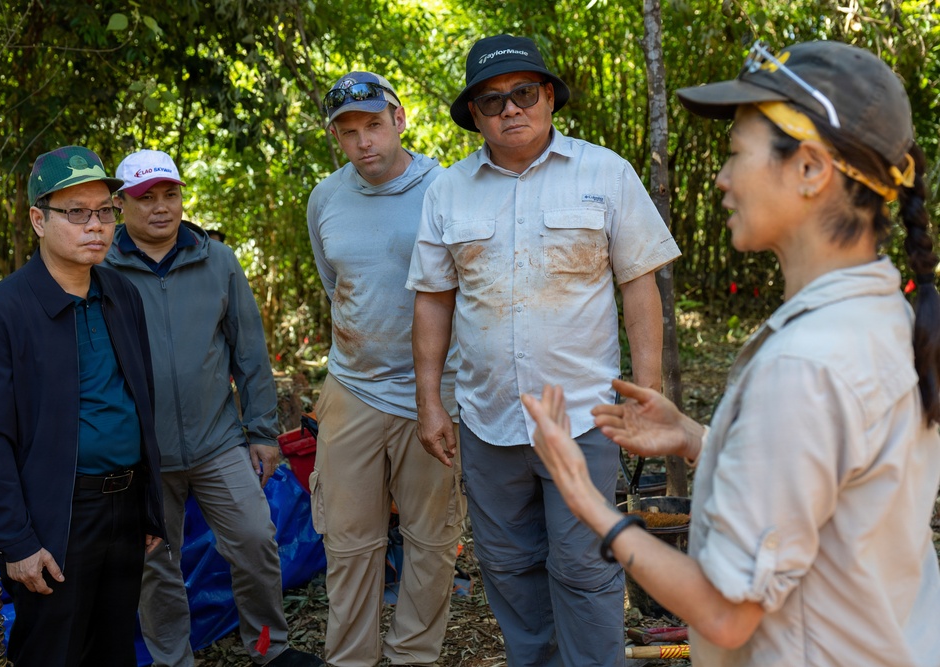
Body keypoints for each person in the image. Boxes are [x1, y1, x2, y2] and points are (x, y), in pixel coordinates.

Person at [522, 40, 940, 667]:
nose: (721, 178)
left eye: (736, 154)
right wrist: (698, 438)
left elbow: (724, 612)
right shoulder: (880, 314)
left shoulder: (807, 363)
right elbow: (824, 491)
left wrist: (587, 501)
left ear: (809, 169)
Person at [406, 34, 681, 666]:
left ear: (549, 96)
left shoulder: (604, 172)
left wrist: (646, 396)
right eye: (492, 100)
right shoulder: (448, 191)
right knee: (508, 565)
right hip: (488, 417)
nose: (510, 109)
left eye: (523, 93)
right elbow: (432, 300)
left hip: (585, 415)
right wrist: (430, 403)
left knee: (584, 564)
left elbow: (638, 284)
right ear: (474, 115)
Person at [104, 149, 322, 667]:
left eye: (170, 194)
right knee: (156, 561)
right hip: (142, 450)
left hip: (218, 438)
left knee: (254, 537)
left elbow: (249, 352)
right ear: (119, 205)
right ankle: (172, 660)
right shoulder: (102, 270)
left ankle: (271, 649)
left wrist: (263, 432)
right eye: (145, 198)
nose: (161, 207)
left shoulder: (217, 260)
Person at [0, 146, 166, 667]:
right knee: (54, 650)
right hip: (56, 515)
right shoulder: (0, 314)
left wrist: (150, 505)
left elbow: (141, 400)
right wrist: (17, 542)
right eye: (76, 212)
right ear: (38, 220)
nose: (95, 225)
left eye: (104, 210)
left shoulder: (121, 294)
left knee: (114, 647)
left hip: (125, 504)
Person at [307, 71, 466, 667]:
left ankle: (414, 657)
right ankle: (351, 658)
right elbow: (337, 285)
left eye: (373, 125)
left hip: (437, 392)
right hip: (352, 387)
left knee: (430, 542)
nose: (363, 141)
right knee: (349, 544)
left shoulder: (446, 189)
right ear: (337, 139)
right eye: (348, 132)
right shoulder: (325, 199)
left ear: (399, 119)